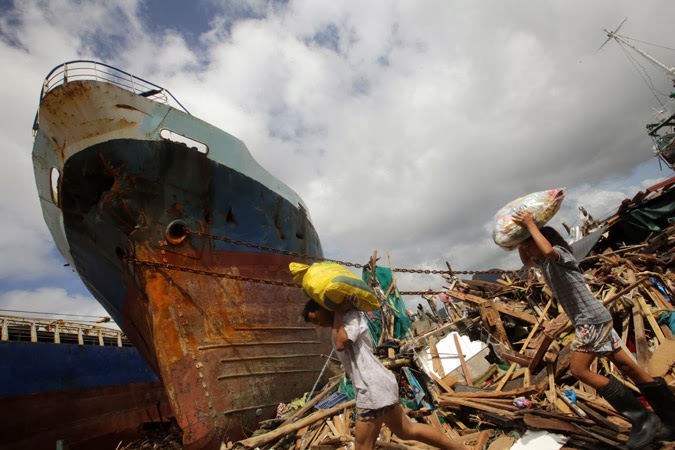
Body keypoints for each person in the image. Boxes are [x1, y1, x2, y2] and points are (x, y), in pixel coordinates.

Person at [513, 211, 674, 449]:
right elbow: (528, 260)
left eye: (530, 246)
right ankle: (671, 418)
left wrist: (530, 225)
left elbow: (546, 250)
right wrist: (521, 240)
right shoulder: (543, 265)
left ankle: (642, 419)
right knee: (627, 365)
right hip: (592, 319)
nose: (529, 252)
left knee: (579, 369)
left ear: (544, 239)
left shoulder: (561, 256)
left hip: (591, 319)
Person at [302, 299, 487, 450]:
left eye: (317, 318)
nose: (319, 324)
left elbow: (342, 342)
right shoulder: (340, 323)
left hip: (372, 388)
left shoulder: (349, 317)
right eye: (315, 323)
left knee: (362, 445)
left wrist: (338, 310)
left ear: (325, 307)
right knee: (407, 430)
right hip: (375, 384)